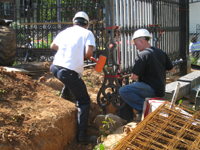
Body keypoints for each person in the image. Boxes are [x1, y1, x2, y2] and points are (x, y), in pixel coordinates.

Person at [50, 11, 97, 144]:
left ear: (73, 22)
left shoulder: (65, 31)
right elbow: (88, 54)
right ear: (87, 24)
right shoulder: (88, 33)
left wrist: (68, 51)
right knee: (84, 101)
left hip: (55, 68)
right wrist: (78, 55)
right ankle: (82, 137)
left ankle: (65, 96)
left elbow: (52, 46)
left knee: (71, 81)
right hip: (68, 72)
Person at [119, 28, 175, 123]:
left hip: (151, 89)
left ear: (140, 40)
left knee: (123, 90)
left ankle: (146, 110)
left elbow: (134, 77)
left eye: (135, 44)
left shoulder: (143, 55)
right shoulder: (160, 52)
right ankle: (147, 109)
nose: (135, 47)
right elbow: (172, 69)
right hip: (161, 90)